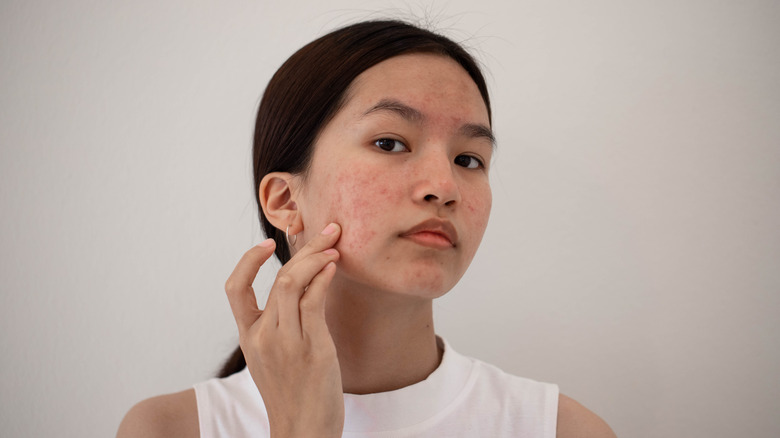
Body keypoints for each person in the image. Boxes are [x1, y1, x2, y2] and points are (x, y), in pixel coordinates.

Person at [117, 19, 616, 438]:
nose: (444, 187)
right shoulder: (172, 428)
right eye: (390, 144)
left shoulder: (560, 429)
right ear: (286, 200)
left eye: (469, 158)